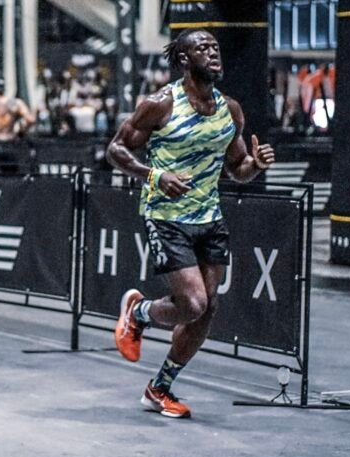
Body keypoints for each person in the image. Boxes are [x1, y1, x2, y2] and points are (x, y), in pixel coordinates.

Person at [107, 28, 275, 419]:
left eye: (215, 47)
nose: (213, 53)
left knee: (207, 309)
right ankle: (138, 312)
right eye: (203, 48)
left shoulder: (230, 109)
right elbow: (116, 149)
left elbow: (237, 169)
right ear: (184, 59)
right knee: (193, 302)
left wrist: (255, 164)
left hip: (209, 218)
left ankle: (159, 388)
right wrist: (155, 175)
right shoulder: (160, 104)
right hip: (167, 216)